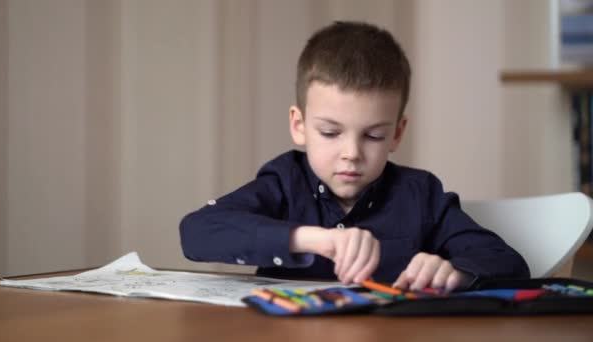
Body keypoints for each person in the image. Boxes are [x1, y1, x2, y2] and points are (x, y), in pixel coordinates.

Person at [179, 21, 529, 292]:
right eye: (330, 133)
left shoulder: (420, 195)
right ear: (299, 125)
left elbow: (506, 262)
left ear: (397, 133)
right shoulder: (284, 182)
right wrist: (314, 239)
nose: (351, 154)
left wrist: (456, 272)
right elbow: (197, 232)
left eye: (374, 135)